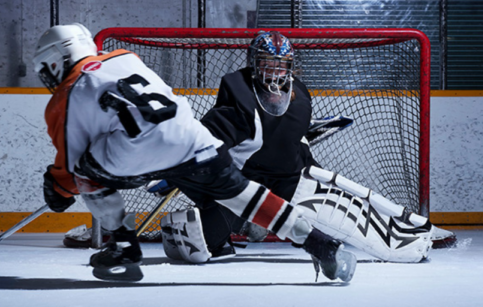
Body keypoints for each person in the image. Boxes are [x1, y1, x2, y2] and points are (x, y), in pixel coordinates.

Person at [34, 23, 357, 282]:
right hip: (192, 138)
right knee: (245, 195)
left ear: (55, 61)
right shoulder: (124, 56)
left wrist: (57, 189)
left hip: (138, 153)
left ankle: (123, 247)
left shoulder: (64, 98)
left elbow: (70, 172)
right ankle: (319, 243)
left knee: (86, 172)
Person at [151, 31, 453, 265]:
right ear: (254, 64)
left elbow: (293, 142)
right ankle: (251, 221)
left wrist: (312, 165)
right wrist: (176, 170)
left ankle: (409, 235)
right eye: (268, 64)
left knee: (346, 217)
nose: (275, 72)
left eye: (281, 65)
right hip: (246, 187)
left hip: (288, 182)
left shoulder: (300, 97)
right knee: (209, 242)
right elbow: (205, 145)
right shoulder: (239, 100)